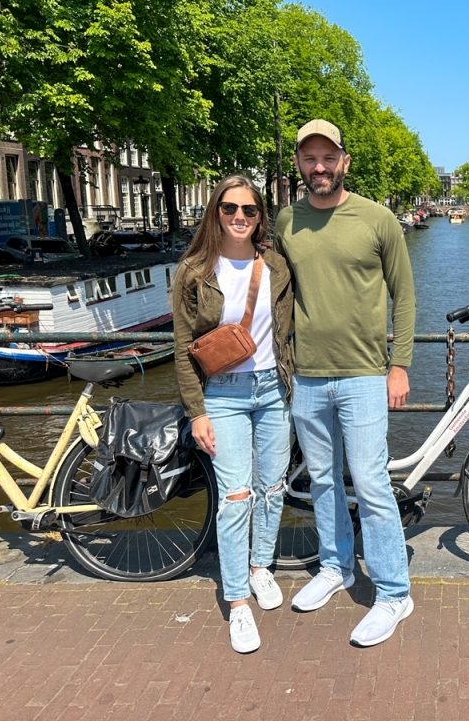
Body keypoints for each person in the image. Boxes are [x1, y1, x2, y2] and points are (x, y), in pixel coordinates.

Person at [275, 119, 416, 648]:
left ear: (344, 162)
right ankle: (337, 567)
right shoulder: (285, 221)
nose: (319, 167)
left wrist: (399, 364)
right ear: (298, 165)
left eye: (328, 157)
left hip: (362, 374)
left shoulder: (378, 220)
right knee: (324, 480)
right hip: (307, 376)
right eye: (310, 158)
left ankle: (395, 593)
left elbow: (405, 295)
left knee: (372, 483)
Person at [172, 175, 295, 654]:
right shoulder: (194, 272)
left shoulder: (278, 267)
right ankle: (238, 601)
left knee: (272, 487)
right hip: (222, 394)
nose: (239, 217)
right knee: (236, 495)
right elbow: (184, 351)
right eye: (229, 209)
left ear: (260, 215)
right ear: (215, 212)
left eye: (249, 209)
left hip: (273, 389)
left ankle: (261, 566)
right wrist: (197, 412)